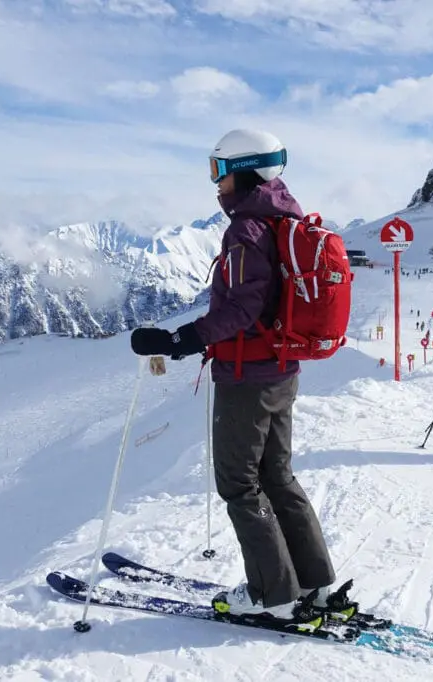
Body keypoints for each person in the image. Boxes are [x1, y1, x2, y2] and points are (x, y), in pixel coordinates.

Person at [129, 129, 336, 622]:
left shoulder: (247, 230)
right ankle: (314, 585)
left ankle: (275, 597)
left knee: (240, 484)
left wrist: (180, 340)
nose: (215, 185)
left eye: (219, 172)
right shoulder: (283, 219)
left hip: (248, 376)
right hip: (282, 369)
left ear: (244, 173)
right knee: (277, 477)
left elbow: (242, 309)